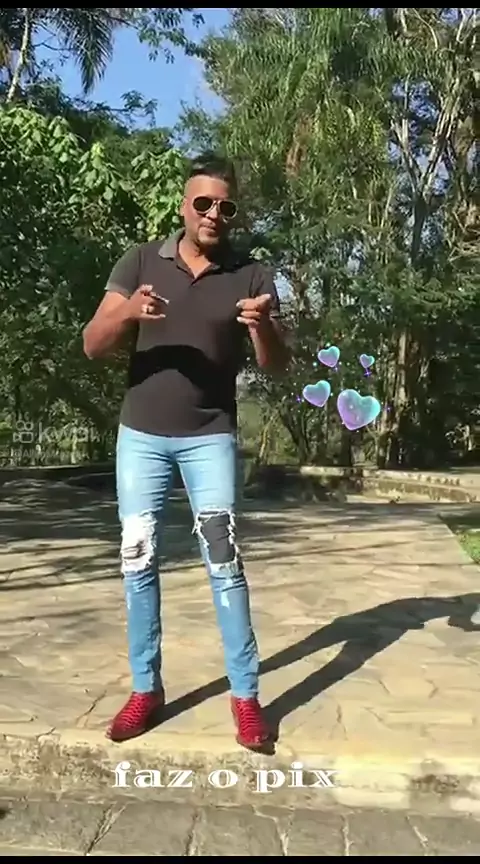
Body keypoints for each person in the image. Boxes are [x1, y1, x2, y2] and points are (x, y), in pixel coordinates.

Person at [82, 153, 290, 750]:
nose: (214, 214)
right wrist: (128, 311)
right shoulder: (141, 261)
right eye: (204, 203)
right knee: (138, 560)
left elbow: (277, 366)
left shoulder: (251, 274)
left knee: (224, 562)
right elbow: (92, 344)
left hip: (210, 437)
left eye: (226, 206)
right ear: (183, 205)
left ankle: (246, 698)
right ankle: (146, 689)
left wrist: (261, 327)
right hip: (141, 438)